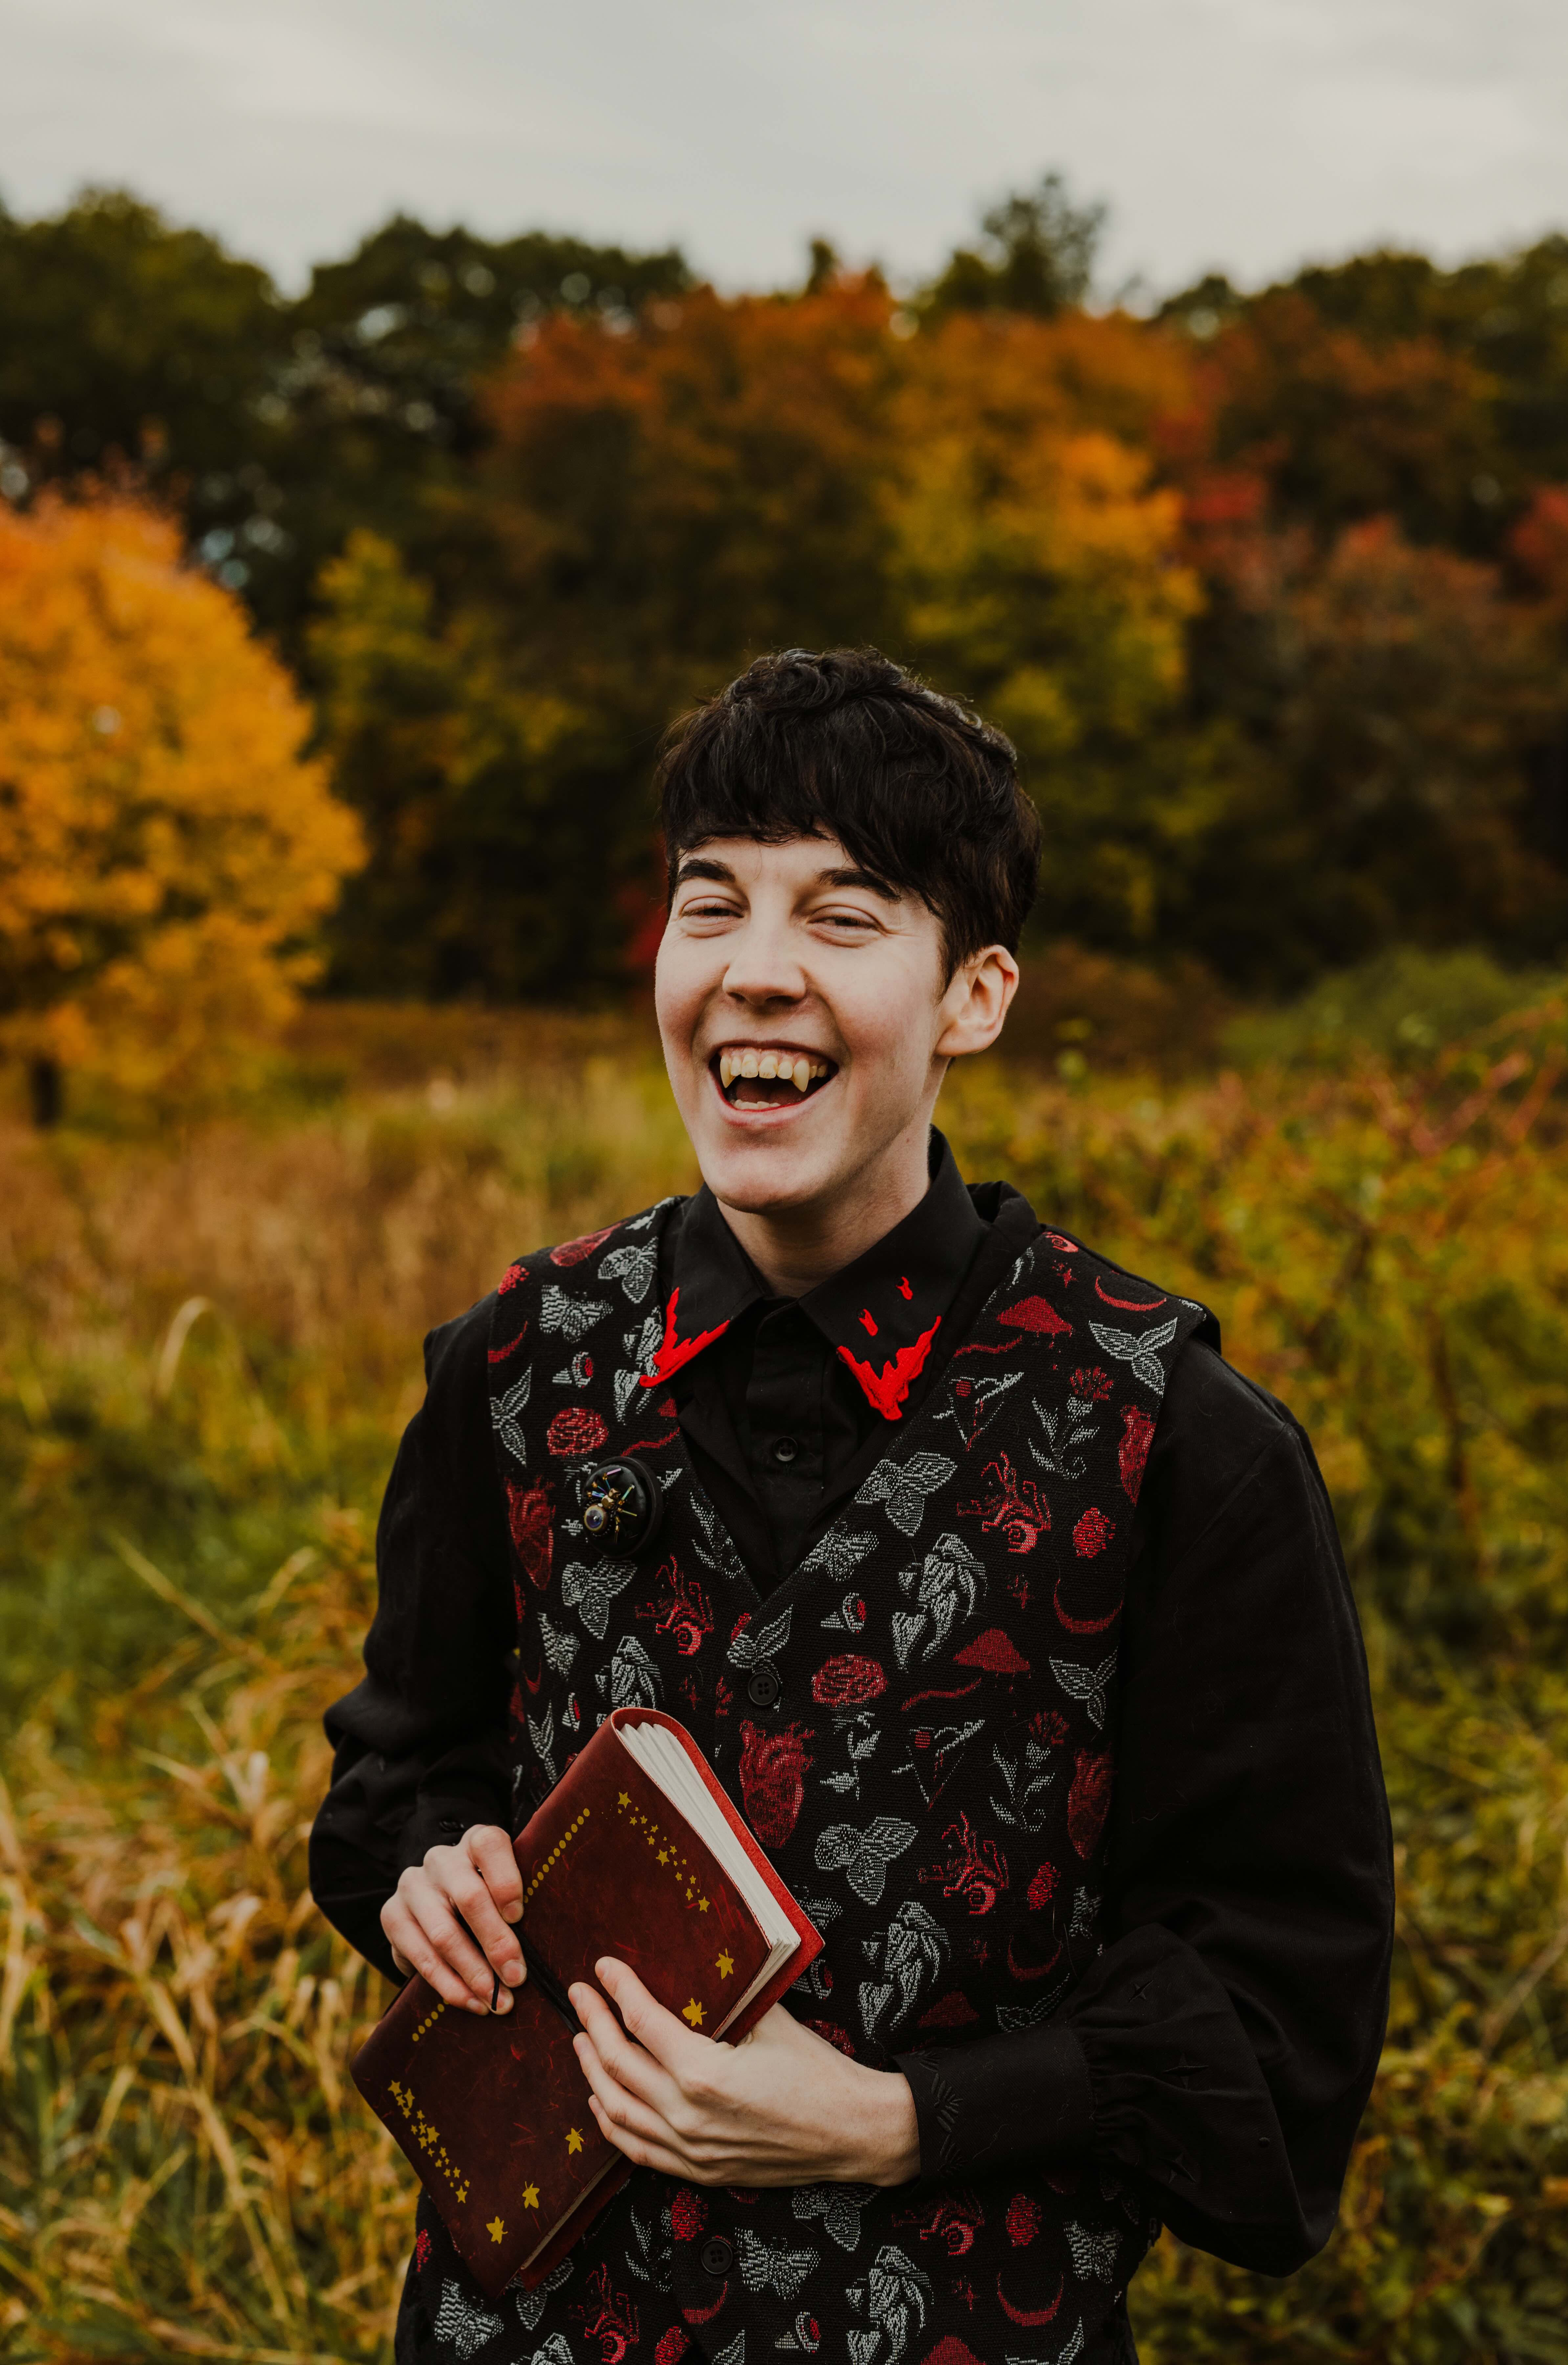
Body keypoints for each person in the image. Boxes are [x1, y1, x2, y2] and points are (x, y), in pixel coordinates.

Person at [310, 647, 1392, 2365]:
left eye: (843, 917)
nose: (755, 975)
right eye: (712, 904)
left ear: (976, 996)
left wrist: (904, 2120)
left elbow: (1275, 2010)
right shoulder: (510, 1366)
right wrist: (425, 1863)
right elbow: (398, 1767)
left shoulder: (1178, 1439)